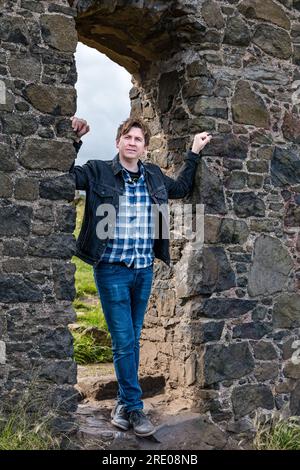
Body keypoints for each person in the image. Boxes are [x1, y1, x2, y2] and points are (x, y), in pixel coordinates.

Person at [70, 115, 212, 437]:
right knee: (123, 341)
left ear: (145, 148)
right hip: (111, 269)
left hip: (142, 270)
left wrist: (193, 152)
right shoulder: (98, 171)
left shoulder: (154, 177)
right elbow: (67, 178)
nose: (132, 143)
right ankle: (135, 410)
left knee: (131, 341)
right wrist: (73, 140)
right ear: (118, 142)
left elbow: (182, 187)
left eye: (138, 139)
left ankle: (122, 403)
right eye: (127, 137)